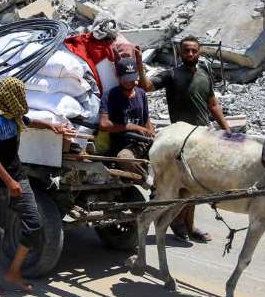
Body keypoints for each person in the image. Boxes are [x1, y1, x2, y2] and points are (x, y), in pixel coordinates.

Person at [0, 77, 70, 295]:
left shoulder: (15, 118)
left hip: (18, 177)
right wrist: (9, 182)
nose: (23, 99)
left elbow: (29, 122)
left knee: (34, 223)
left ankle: (13, 271)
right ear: (10, 97)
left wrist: (52, 126)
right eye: (19, 95)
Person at [140, 36, 232, 243]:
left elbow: (213, 105)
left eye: (194, 51)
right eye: (186, 51)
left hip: (202, 138)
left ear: (199, 53)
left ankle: (187, 226)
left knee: (195, 186)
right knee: (178, 186)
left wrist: (227, 130)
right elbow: (145, 86)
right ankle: (177, 222)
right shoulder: (171, 74)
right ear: (180, 53)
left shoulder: (204, 74)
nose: (190, 54)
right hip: (180, 141)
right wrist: (139, 61)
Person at [98, 58, 154, 176]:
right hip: (120, 143)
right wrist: (132, 127)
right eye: (126, 79)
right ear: (118, 76)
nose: (129, 82)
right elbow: (104, 124)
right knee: (123, 157)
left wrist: (152, 136)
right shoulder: (110, 96)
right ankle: (148, 181)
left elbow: (146, 119)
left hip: (140, 142)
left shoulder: (140, 93)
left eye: (132, 79)